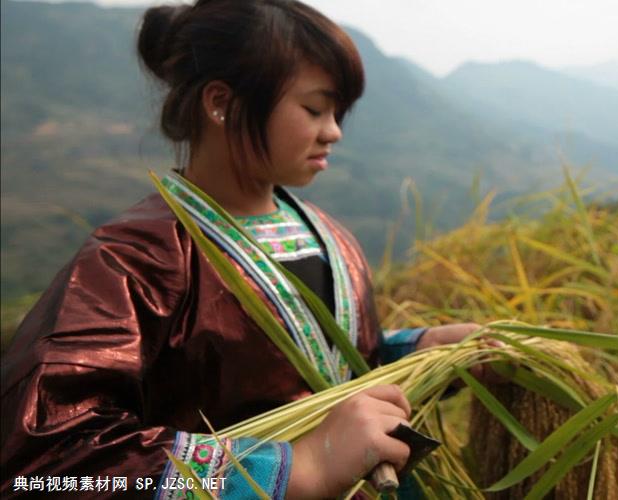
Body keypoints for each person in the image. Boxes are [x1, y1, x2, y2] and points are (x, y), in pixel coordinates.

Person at [0, 1, 487, 498]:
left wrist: (419, 355)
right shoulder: (132, 261)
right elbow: (45, 465)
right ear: (221, 102)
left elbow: (322, 374)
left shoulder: (332, 236)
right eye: (315, 109)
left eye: (338, 112)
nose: (334, 131)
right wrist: (297, 469)